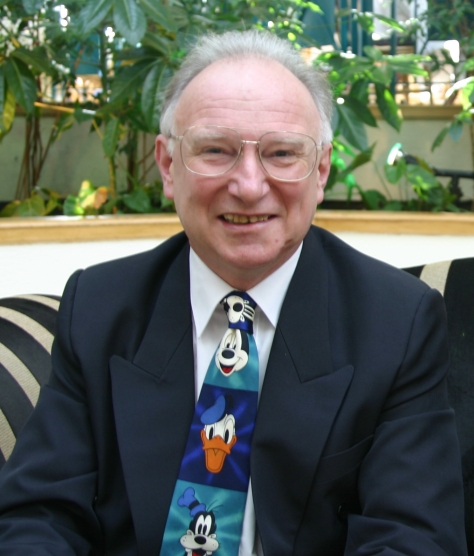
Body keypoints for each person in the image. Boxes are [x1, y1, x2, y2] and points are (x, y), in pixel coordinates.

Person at [0, 29, 467, 556]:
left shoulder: (397, 321)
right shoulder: (100, 307)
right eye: (216, 150)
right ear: (169, 165)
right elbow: (38, 516)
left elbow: (413, 539)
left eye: (282, 153)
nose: (248, 185)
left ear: (320, 170)